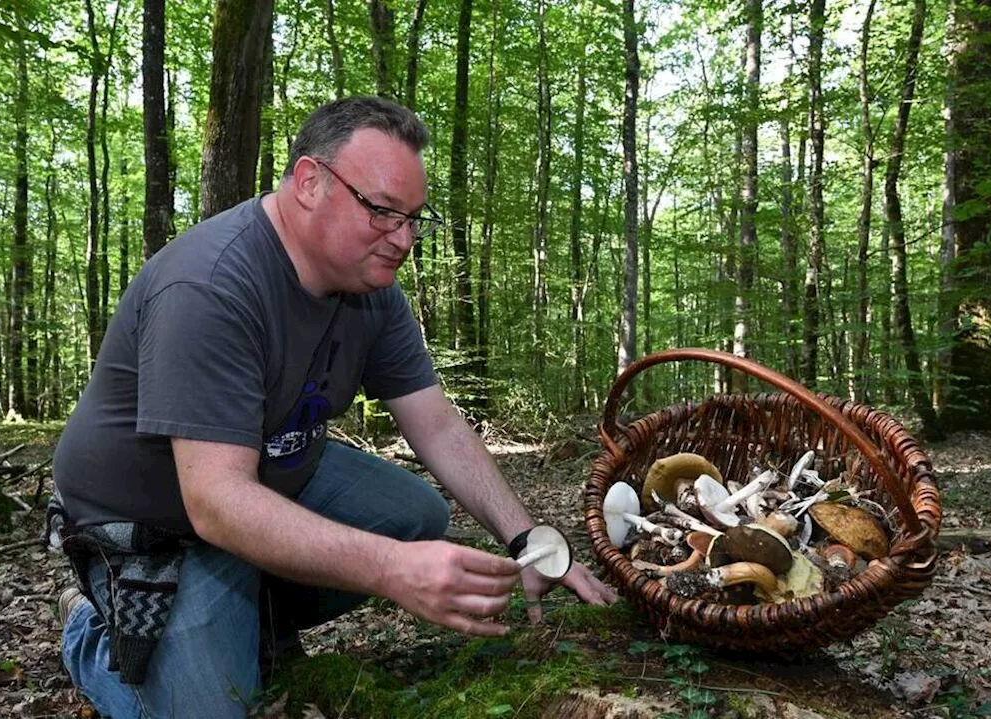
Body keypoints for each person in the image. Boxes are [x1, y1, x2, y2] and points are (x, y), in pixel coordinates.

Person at [47, 95, 618, 718]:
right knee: (214, 710)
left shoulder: (371, 290)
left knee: (411, 513)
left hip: (270, 474)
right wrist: (389, 570)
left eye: (413, 219)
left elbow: (435, 422)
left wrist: (524, 537)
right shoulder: (210, 286)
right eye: (382, 211)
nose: (403, 239)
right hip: (161, 521)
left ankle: (245, 620)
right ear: (310, 182)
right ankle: (89, 634)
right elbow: (214, 501)